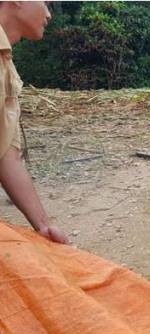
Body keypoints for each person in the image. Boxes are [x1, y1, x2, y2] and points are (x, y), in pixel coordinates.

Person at [0, 2, 68, 245]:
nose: (49, 13)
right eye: (45, 2)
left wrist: (43, 225)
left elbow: (6, 153)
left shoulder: (5, 60)